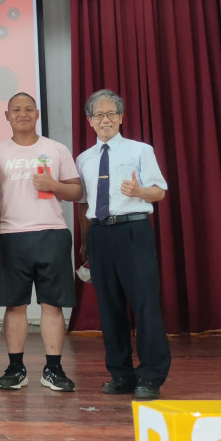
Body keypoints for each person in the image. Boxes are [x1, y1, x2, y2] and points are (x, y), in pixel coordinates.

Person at [76, 89, 170, 400]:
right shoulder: (84, 159)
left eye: (111, 114)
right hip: (100, 235)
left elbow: (159, 192)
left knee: (144, 304)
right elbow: (85, 203)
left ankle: (151, 376)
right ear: (90, 121)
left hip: (133, 230)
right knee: (109, 307)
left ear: (121, 117)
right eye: (99, 115)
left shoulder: (140, 150)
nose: (105, 120)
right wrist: (85, 242)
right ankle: (121, 374)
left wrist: (139, 191)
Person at [0, 93, 82, 393]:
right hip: (11, 236)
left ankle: (53, 369)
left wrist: (54, 185)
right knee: (15, 306)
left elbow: (77, 192)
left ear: (37, 114)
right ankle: (16, 369)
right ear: (7, 116)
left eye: (29, 109)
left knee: (52, 305)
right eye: (16, 110)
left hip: (53, 233)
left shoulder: (56, 149)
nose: (23, 114)